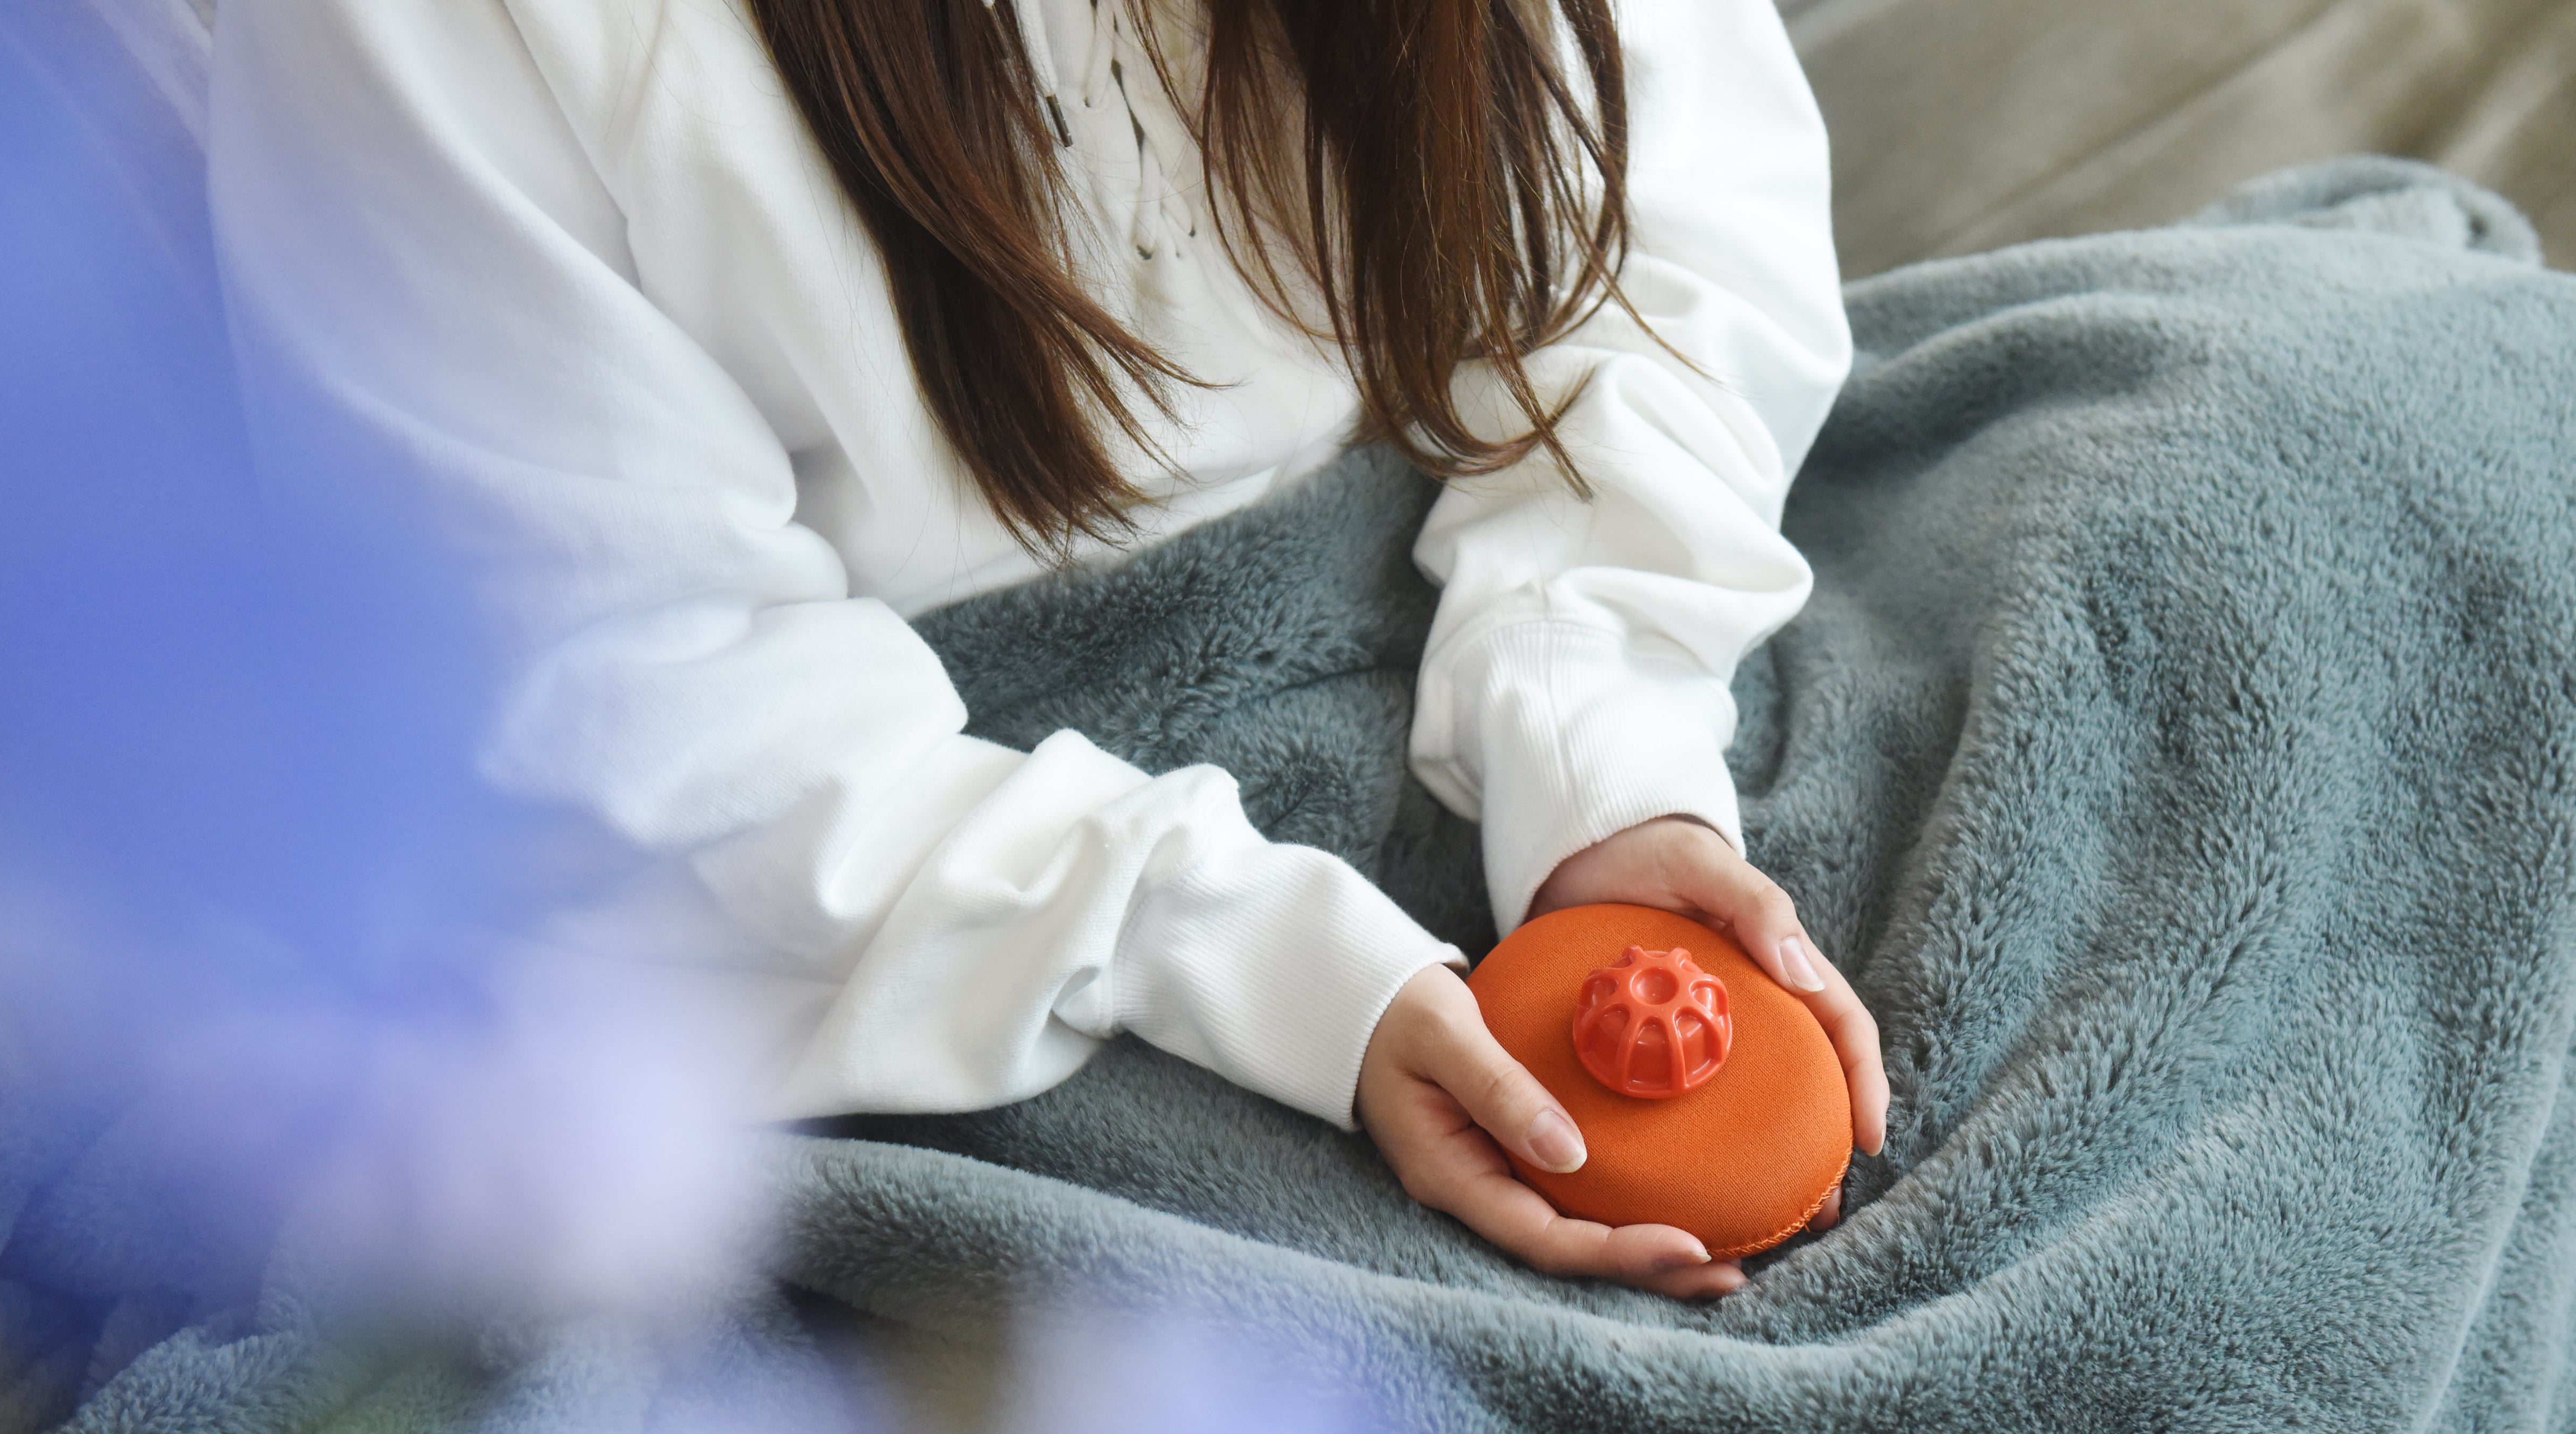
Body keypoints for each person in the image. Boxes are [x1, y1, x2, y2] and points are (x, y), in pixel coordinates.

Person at [207, 0, 1890, 1302]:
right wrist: (1259, 963)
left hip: (1520, 581)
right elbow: (611, 680)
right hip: (938, 875)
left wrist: (1602, 751)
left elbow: (1663, 238)